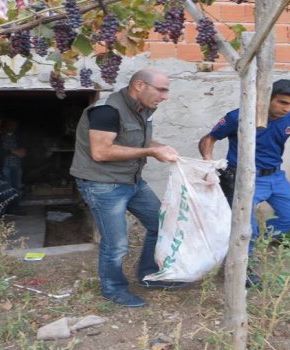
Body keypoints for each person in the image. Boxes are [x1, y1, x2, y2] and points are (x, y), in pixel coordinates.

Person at [198, 79, 290, 285]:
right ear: (267, 98)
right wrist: (208, 162)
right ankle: (242, 267)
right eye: (283, 102)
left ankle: (245, 243)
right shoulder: (239, 116)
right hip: (244, 178)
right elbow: (209, 138)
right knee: (246, 227)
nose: (288, 109)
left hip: (276, 177)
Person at [70, 68, 186, 308]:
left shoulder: (143, 109)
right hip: (103, 184)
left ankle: (148, 275)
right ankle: (113, 289)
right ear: (140, 86)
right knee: (116, 244)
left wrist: (159, 145)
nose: (165, 96)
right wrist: (151, 152)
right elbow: (101, 152)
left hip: (131, 181)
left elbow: (131, 139)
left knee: (161, 223)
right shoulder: (107, 110)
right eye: (161, 90)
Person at [0, 118, 26, 213]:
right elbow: (1, 150)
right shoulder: (0, 135)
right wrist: (13, 151)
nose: (13, 127)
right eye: (11, 124)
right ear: (6, 124)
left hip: (17, 165)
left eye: (15, 125)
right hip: (5, 165)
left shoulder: (18, 136)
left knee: (17, 187)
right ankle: (8, 209)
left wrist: (10, 151)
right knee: (7, 187)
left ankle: (16, 208)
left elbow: (22, 153)